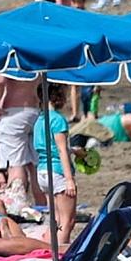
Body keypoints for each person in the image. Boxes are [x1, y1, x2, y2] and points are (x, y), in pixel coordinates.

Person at [32, 83, 78, 243]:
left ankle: (50, 252)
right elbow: (61, 150)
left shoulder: (40, 120)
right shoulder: (58, 120)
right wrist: (69, 179)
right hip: (58, 171)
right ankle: (60, 259)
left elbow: (48, 146)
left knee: (56, 220)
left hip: (43, 172)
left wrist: (74, 150)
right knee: (67, 222)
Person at [0, 72, 42, 202]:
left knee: (15, 164)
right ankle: (44, 205)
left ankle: (17, 204)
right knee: (36, 165)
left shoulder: (9, 55)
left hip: (13, 112)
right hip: (35, 111)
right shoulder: (34, 54)